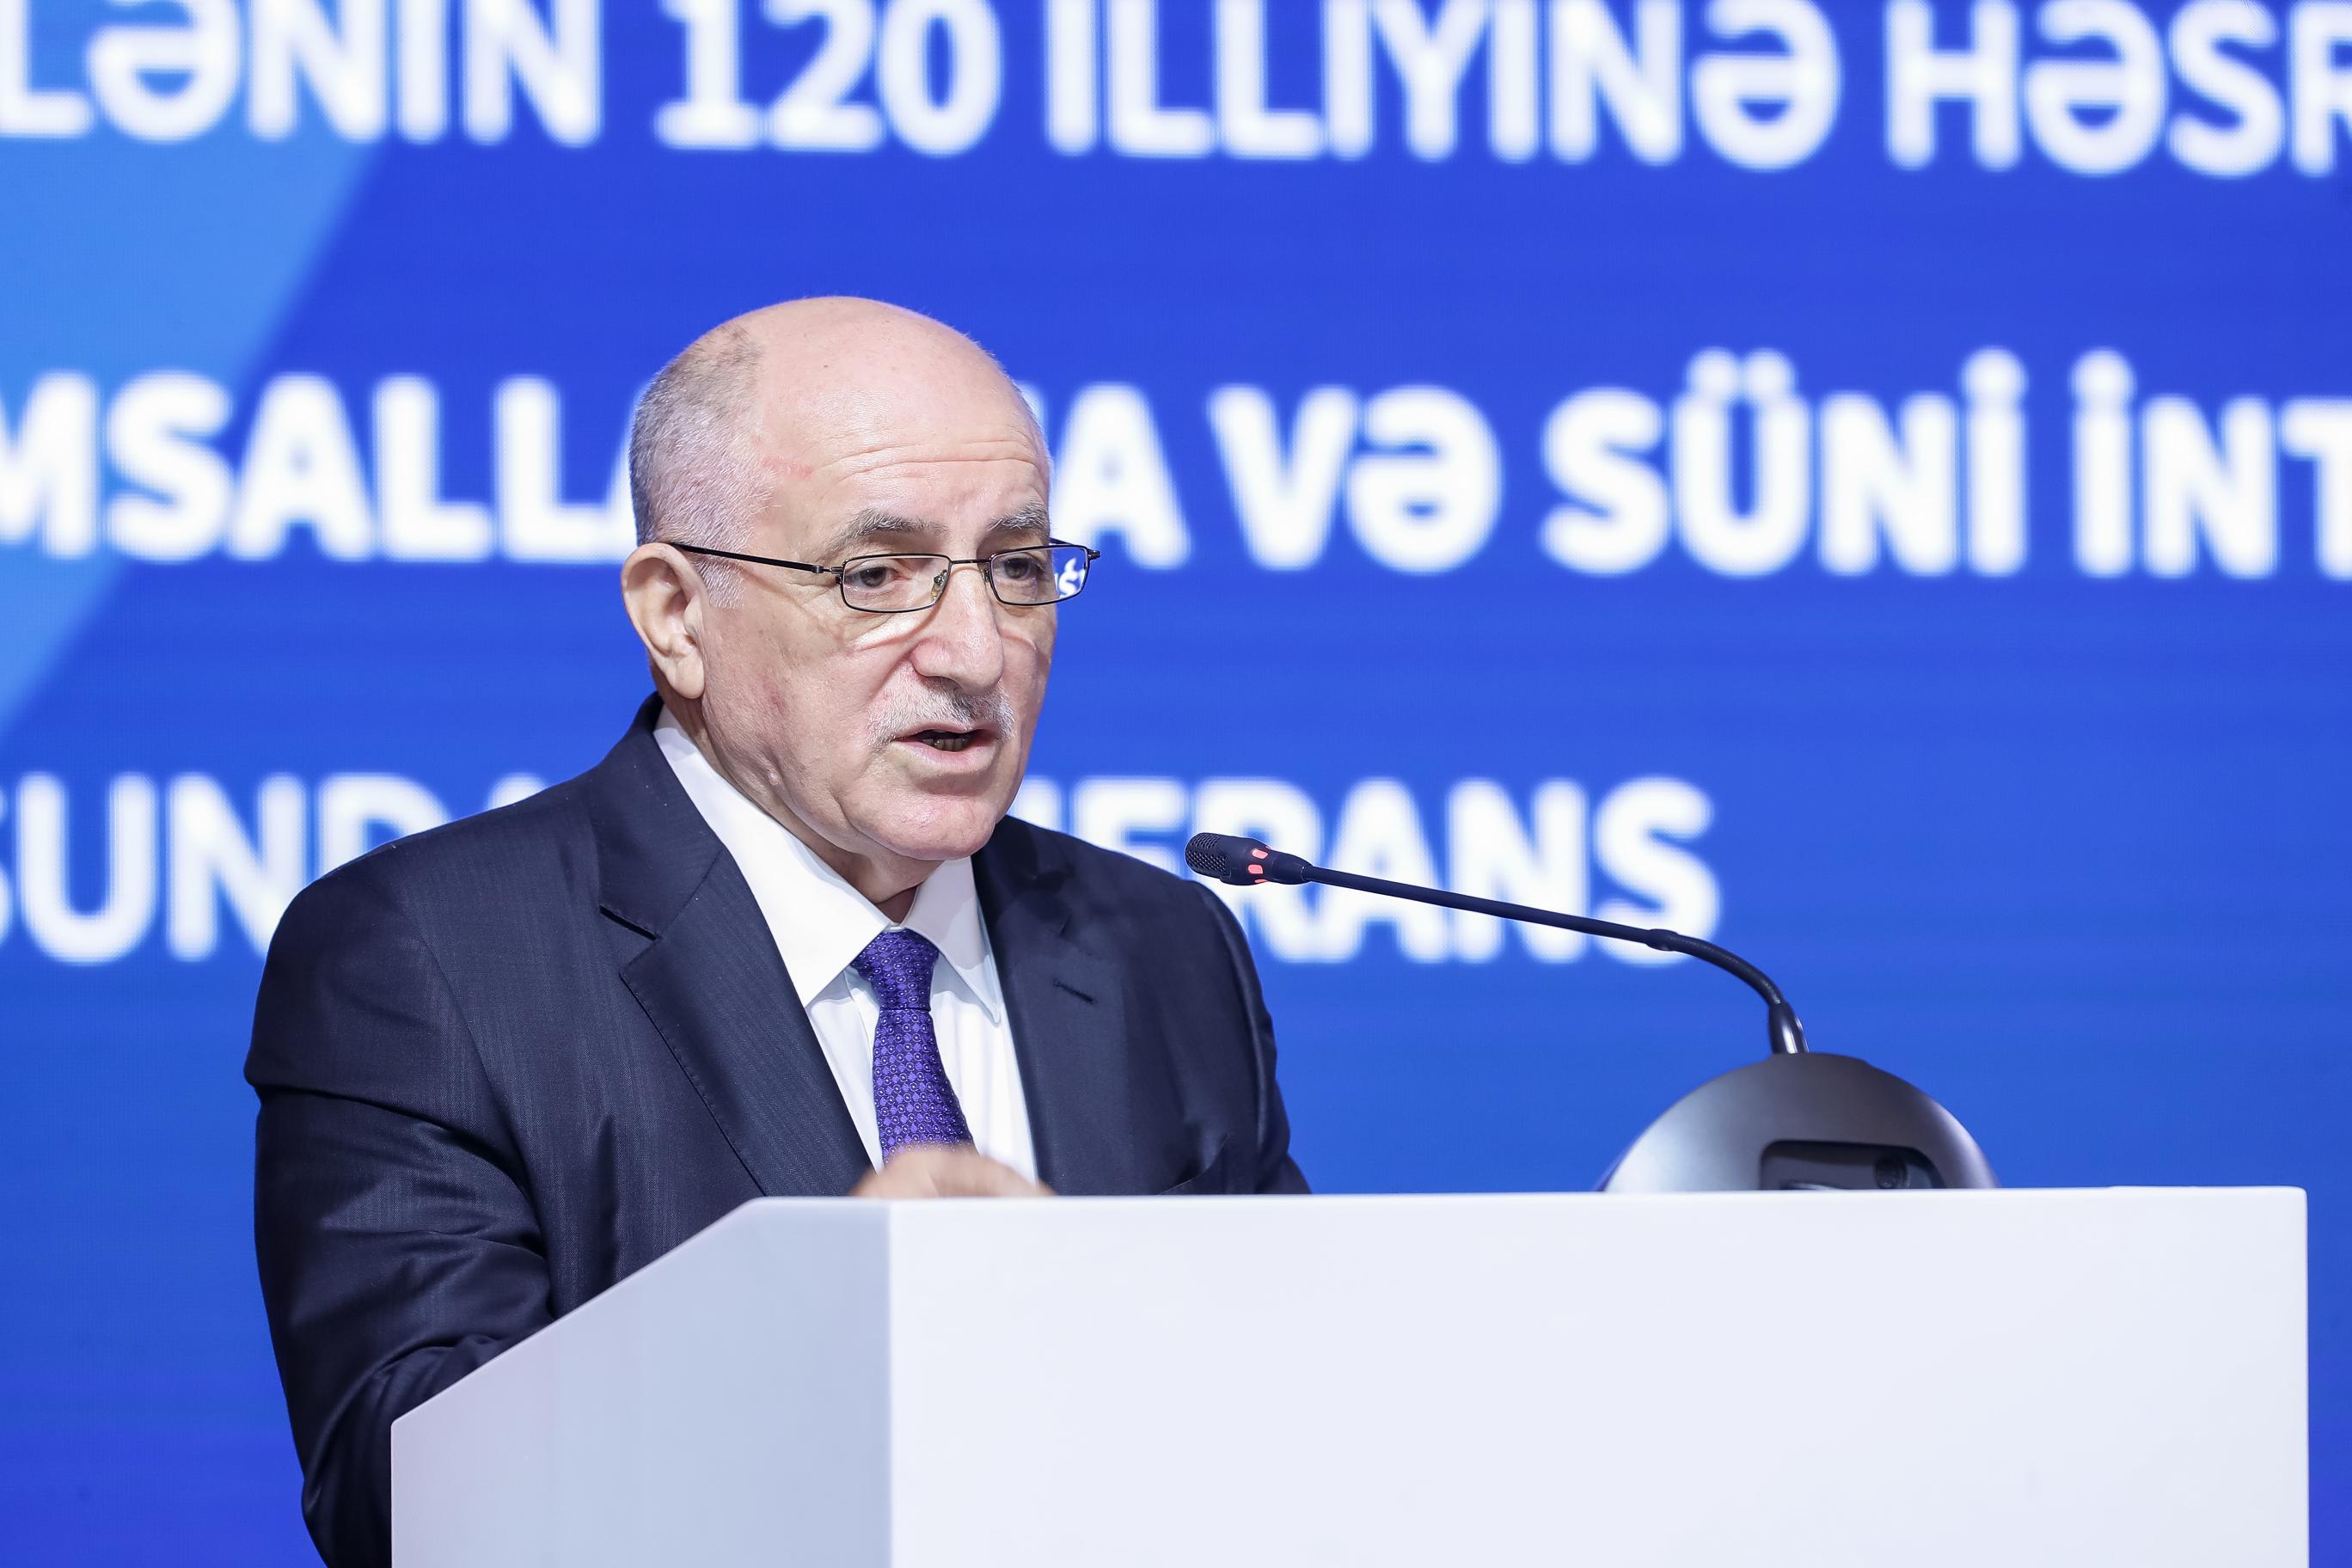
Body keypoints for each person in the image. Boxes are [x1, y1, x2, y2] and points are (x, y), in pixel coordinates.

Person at [245, 297, 1309, 1568]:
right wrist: (821, 1327)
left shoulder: (1158, 948)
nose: (976, 652)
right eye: (877, 576)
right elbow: (407, 1499)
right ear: (676, 616)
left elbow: (1290, 1423)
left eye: (1018, 568)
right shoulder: (430, 960)